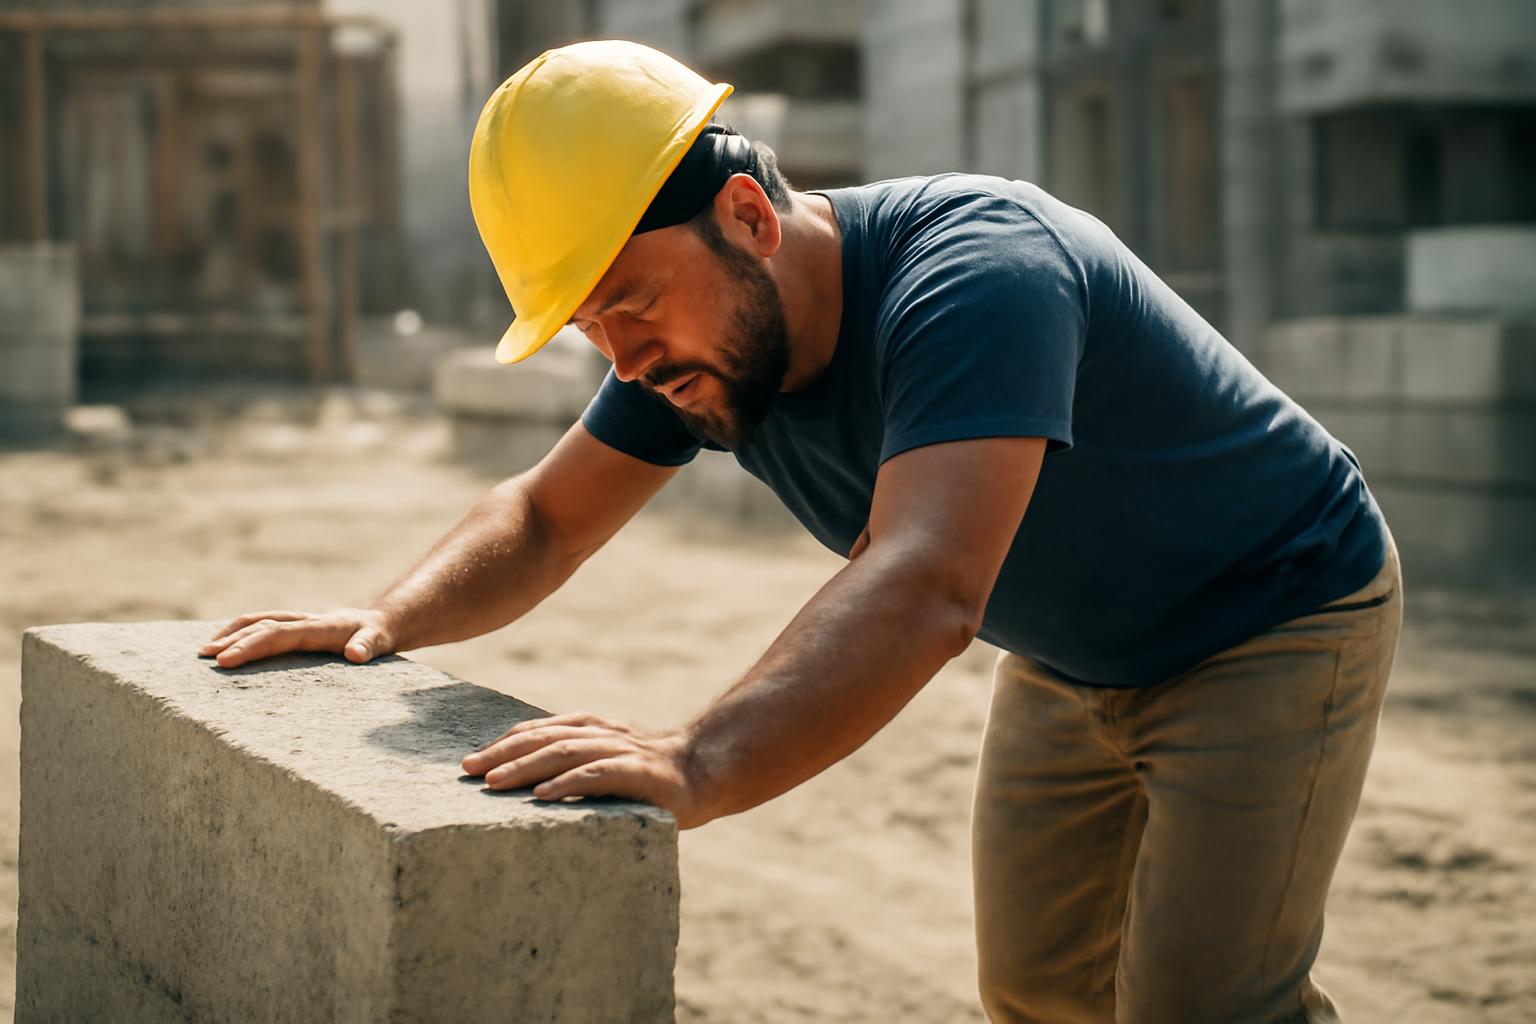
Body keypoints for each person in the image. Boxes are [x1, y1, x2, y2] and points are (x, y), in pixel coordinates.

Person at [201, 40, 1402, 1023]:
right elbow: (544, 516)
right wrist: (386, 616)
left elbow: (927, 581)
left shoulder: (978, 271)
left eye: (627, 303)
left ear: (748, 217)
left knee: (1203, 1005)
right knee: (1042, 989)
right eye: (587, 327)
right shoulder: (700, 339)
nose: (621, 358)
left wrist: (699, 758)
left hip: (1270, 614)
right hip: (1080, 649)